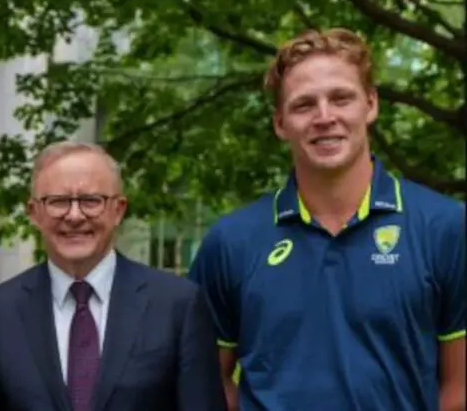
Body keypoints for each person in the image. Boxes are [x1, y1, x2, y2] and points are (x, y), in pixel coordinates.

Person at [188, 28, 465, 411]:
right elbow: (206, 383)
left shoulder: (447, 228)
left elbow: (459, 387)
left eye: (341, 98)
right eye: (303, 105)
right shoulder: (231, 242)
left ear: (370, 104)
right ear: (280, 123)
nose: (324, 117)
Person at [0, 141, 227, 411]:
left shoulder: (178, 305)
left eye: (91, 201)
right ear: (34, 213)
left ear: (118, 210)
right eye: (58, 201)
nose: (74, 216)